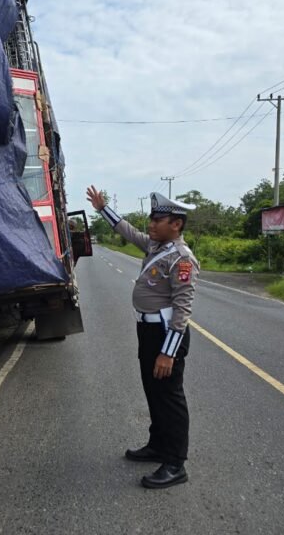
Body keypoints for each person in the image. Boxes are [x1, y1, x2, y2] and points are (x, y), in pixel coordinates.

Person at [86, 186, 200, 489]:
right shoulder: (155, 246)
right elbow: (127, 230)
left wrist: (168, 353)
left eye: (157, 220)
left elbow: (182, 309)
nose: (150, 225)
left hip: (166, 335)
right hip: (148, 331)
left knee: (170, 397)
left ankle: (175, 463)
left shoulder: (181, 259)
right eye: (151, 219)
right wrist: (102, 208)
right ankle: (158, 444)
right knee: (153, 391)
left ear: (175, 224)